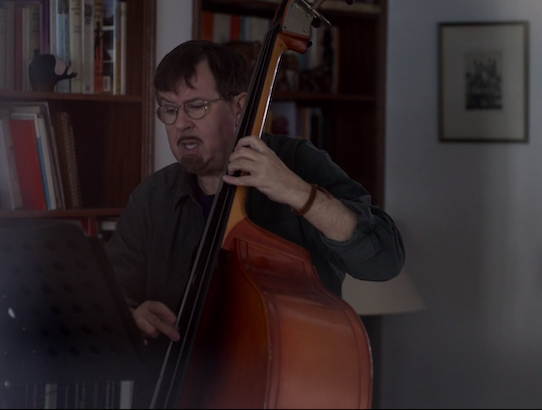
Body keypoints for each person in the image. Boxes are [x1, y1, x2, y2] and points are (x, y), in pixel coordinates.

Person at [106, 40, 405, 402]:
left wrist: (298, 192)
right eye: (168, 110)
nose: (180, 123)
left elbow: (384, 260)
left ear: (240, 106)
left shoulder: (298, 162)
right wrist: (131, 315)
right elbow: (111, 296)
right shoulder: (153, 198)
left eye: (195, 106)